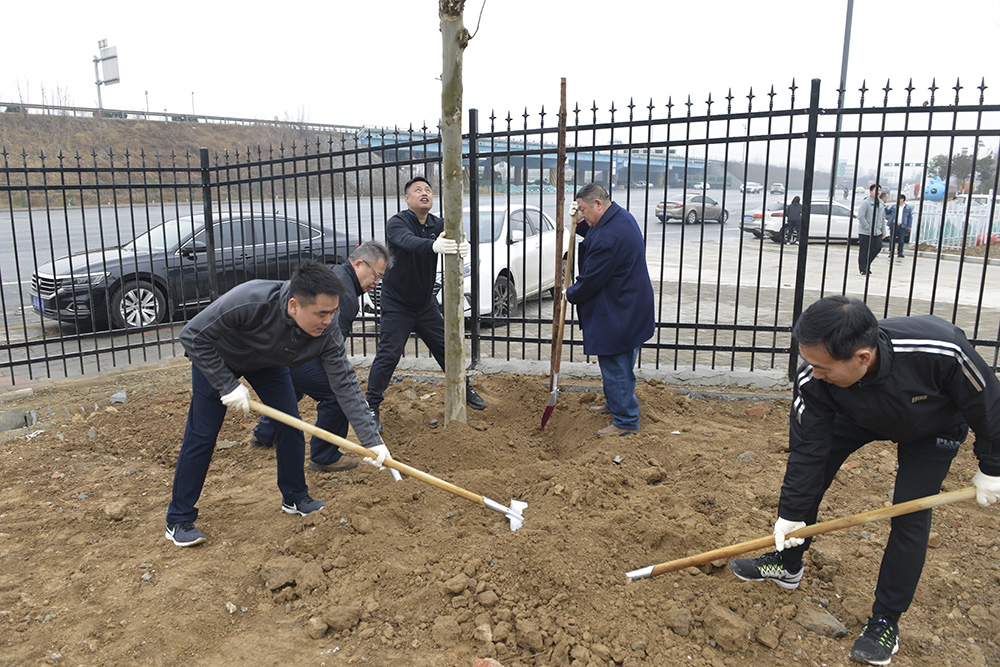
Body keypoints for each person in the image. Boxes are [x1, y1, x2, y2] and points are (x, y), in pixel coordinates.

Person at [728, 296, 1000, 665]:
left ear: (862, 358)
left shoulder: (941, 350)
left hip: (932, 425)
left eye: (822, 366)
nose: (812, 372)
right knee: (811, 480)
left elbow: (989, 405)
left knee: (910, 514)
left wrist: (993, 467)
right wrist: (791, 515)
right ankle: (788, 564)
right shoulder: (816, 380)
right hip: (855, 414)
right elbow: (808, 453)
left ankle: (886, 619)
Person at [165, 259, 392, 547]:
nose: (328, 320)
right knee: (202, 435)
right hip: (218, 359)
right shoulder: (251, 300)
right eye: (322, 313)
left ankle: (295, 497)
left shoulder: (327, 331)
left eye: (333, 312)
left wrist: (372, 441)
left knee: (290, 425)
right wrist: (226, 384)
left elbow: (345, 383)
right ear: (294, 305)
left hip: (268, 364)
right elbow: (192, 335)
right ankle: (179, 518)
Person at [249, 241, 392, 472]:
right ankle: (325, 456)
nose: (376, 282)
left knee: (294, 387)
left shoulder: (336, 274)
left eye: (380, 278)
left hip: (284, 350)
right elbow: (330, 350)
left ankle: (264, 433)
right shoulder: (344, 296)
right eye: (376, 275)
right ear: (359, 264)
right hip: (294, 352)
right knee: (335, 395)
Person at [365, 176, 487, 433]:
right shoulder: (397, 223)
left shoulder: (438, 224)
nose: (424, 193)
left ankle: (464, 389)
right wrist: (434, 244)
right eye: (418, 190)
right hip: (397, 303)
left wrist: (462, 242)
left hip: (424, 303)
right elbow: (408, 241)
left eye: (428, 190)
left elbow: (457, 234)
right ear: (407, 198)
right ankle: (371, 406)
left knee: (447, 348)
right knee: (389, 354)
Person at [565, 183, 655, 437]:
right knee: (618, 364)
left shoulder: (608, 238)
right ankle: (615, 403)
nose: (582, 214)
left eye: (583, 210)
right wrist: (579, 223)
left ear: (598, 204)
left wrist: (569, 293)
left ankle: (626, 420)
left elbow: (591, 280)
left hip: (619, 312)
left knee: (616, 366)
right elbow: (596, 230)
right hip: (629, 304)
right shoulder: (620, 217)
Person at [857, 184, 888, 275]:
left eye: (880, 190)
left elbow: (882, 218)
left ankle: (867, 264)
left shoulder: (881, 203)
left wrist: (883, 230)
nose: (878, 192)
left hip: (877, 232)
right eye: (876, 190)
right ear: (871, 191)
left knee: (878, 247)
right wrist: (867, 227)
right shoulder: (866, 203)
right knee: (864, 251)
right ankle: (863, 269)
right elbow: (861, 216)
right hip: (866, 232)